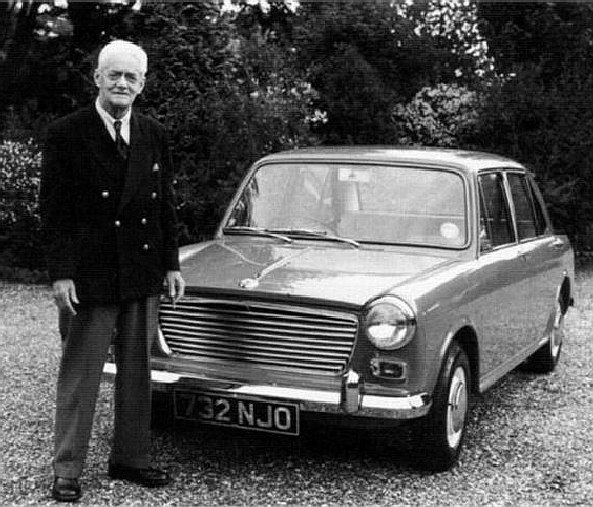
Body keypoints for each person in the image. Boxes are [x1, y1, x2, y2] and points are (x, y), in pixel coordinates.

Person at [40, 40, 185, 502]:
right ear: (97, 79)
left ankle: (131, 459)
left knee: (138, 372)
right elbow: (54, 211)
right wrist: (61, 273)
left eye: (132, 77)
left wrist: (170, 263)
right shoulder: (67, 133)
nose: (122, 84)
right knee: (81, 373)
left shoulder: (154, 132)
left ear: (142, 85)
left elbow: (164, 206)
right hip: (90, 276)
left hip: (141, 272)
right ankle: (68, 469)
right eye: (114, 75)